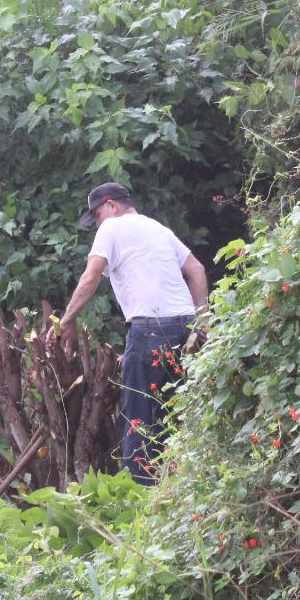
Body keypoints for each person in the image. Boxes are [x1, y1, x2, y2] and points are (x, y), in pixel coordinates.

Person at [58, 182, 208, 484]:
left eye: (97, 215)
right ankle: (179, 489)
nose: (97, 223)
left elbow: (91, 277)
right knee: (175, 413)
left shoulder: (111, 228)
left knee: (138, 416)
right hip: (185, 329)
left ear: (111, 205)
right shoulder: (158, 229)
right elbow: (197, 269)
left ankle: (138, 501)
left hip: (150, 330)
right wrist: (203, 322)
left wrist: (66, 321)